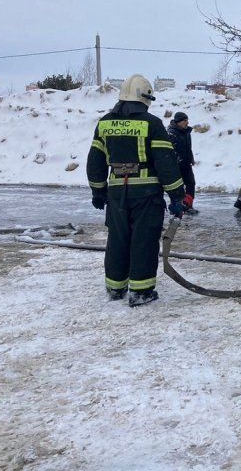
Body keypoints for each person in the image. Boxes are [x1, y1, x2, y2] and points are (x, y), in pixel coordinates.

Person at [87, 74, 186, 307]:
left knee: (118, 239)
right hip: (146, 196)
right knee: (143, 240)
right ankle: (141, 292)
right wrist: (177, 195)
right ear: (144, 98)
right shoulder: (151, 123)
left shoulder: (104, 123)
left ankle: (115, 287)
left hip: (116, 195)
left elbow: (95, 160)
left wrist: (97, 190)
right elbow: (165, 162)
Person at [167, 111, 197, 213]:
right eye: (185, 120)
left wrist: (191, 158)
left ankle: (188, 205)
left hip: (186, 163)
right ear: (178, 121)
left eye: (187, 120)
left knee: (191, 183)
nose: (187, 122)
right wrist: (175, 160)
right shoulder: (171, 133)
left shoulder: (187, 132)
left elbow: (188, 148)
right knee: (177, 186)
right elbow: (169, 150)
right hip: (176, 165)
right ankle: (176, 207)